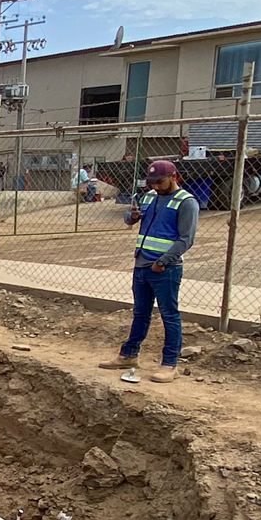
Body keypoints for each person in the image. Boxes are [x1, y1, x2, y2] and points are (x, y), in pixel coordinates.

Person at [98, 160, 198, 384]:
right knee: (140, 313)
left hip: (165, 269)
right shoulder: (150, 196)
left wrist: (163, 261)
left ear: (174, 177)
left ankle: (169, 364)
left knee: (169, 315)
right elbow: (131, 220)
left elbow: (186, 239)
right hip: (142, 264)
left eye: (159, 182)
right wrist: (131, 217)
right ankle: (129, 355)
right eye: (151, 182)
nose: (155, 186)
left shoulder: (186, 202)